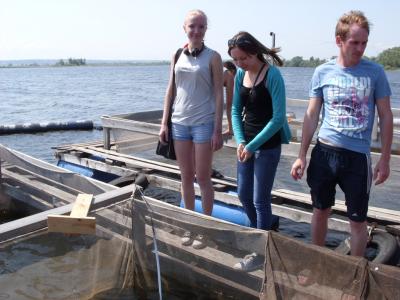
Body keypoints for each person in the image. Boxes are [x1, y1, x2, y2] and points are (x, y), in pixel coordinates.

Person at [290, 11, 393, 257]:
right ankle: (318, 261)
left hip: (357, 157)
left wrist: (385, 159)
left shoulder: (375, 72)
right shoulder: (322, 72)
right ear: (339, 41)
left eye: (364, 43)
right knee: (320, 210)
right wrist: (301, 155)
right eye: (354, 42)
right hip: (325, 152)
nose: (360, 48)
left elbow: (386, 116)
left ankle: (354, 275)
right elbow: (312, 114)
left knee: (357, 221)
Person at [158, 9, 224, 249]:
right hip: (179, 123)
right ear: (184, 28)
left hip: (203, 123)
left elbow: (219, 93)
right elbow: (170, 89)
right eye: (192, 26)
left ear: (206, 29)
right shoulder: (177, 54)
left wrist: (218, 128)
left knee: (203, 178)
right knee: (185, 177)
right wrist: (164, 121)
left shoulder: (213, 57)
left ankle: (204, 229)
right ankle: (189, 225)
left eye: (201, 27)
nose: (196, 31)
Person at [228, 31, 291, 271]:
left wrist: (253, 146)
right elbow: (235, 110)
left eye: (243, 58)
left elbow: (277, 118)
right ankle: (262, 239)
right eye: (235, 60)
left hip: (266, 147)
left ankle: (259, 253)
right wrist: (241, 142)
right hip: (247, 144)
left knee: (260, 200)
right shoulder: (240, 75)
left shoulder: (272, 75)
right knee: (244, 195)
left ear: (254, 52)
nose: (239, 64)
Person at [223, 60, 237, 138]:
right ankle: (230, 129)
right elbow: (229, 104)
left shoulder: (214, 69)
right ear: (232, 71)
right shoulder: (229, 74)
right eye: (234, 75)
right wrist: (230, 128)